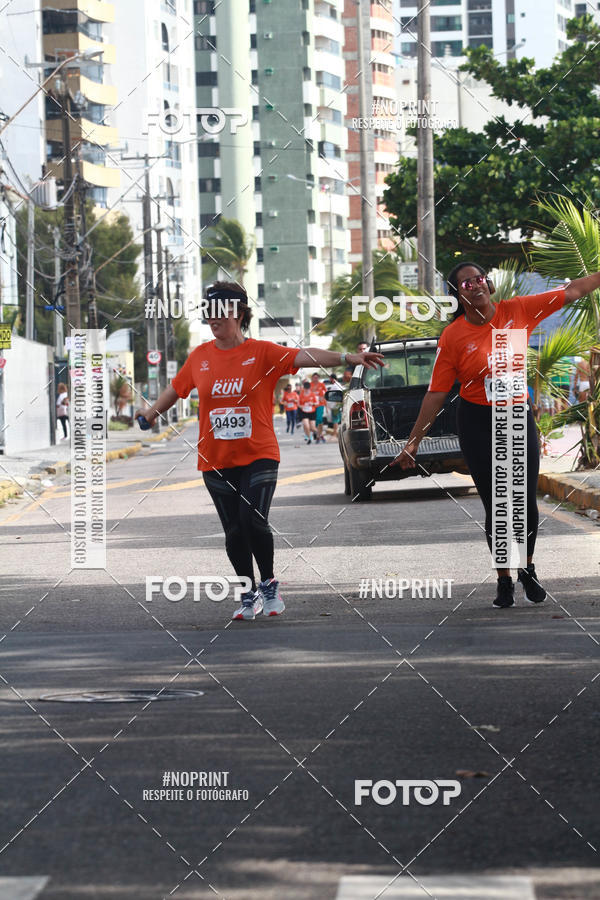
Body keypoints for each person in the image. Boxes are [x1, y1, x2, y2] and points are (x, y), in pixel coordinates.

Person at [135, 281, 383, 621]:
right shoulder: (200, 357)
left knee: (253, 519)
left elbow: (304, 355)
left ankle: (268, 584)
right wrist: (150, 413)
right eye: (207, 312)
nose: (212, 318)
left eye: (218, 311)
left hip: (259, 453)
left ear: (237, 312)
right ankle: (247, 592)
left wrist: (347, 357)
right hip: (215, 458)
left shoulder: (263, 352)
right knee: (234, 530)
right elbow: (176, 390)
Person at [395, 262, 600, 609]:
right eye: (465, 283)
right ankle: (504, 579)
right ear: (458, 296)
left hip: (515, 414)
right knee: (497, 504)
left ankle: (527, 567)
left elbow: (573, 290)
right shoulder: (454, 336)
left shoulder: (517, 310)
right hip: (476, 420)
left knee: (524, 502)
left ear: (487, 285)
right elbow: (436, 392)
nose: (474, 285)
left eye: (478, 279)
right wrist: (413, 440)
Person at [298, 380, 319, 444]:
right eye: (305, 389)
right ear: (304, 388)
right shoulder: (301, 395)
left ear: (310, 388)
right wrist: (301, 406)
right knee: (306, 425)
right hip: (304, 412)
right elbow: (298, 404)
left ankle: (316, 432)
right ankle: (309, 438)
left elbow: (317, 403)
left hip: (312, 412)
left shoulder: (313, 395)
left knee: (312, 427)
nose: (306, 390)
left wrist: (312, 403)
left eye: (308, 389)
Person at [311, 372, 328, 443]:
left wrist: (323, 397)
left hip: (320, 404)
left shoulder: (322, 385)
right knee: (314, 422)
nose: (315, 379)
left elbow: (326, 394)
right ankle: (320, 435)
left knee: (319, 419)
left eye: (317, 377)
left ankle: (318, 436)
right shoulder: (309, 385)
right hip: (312, 405)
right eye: (314, 377)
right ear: (312, 378)